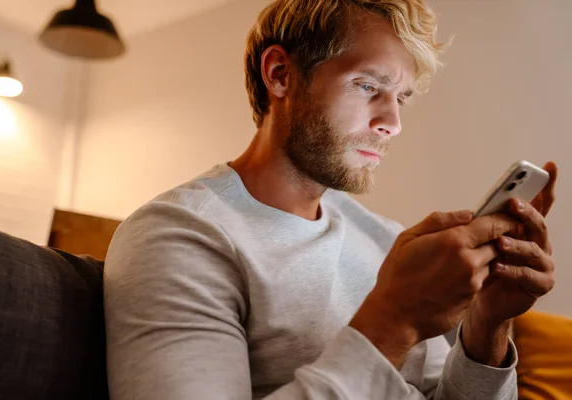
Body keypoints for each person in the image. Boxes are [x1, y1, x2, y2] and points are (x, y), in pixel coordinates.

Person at [104, 0, 558, 399]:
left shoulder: (387, 238)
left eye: (401, 97)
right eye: (367, 86)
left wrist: (488, 325)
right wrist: (395, 320)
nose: (392, 122)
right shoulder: (180, 234)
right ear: (280, 75)